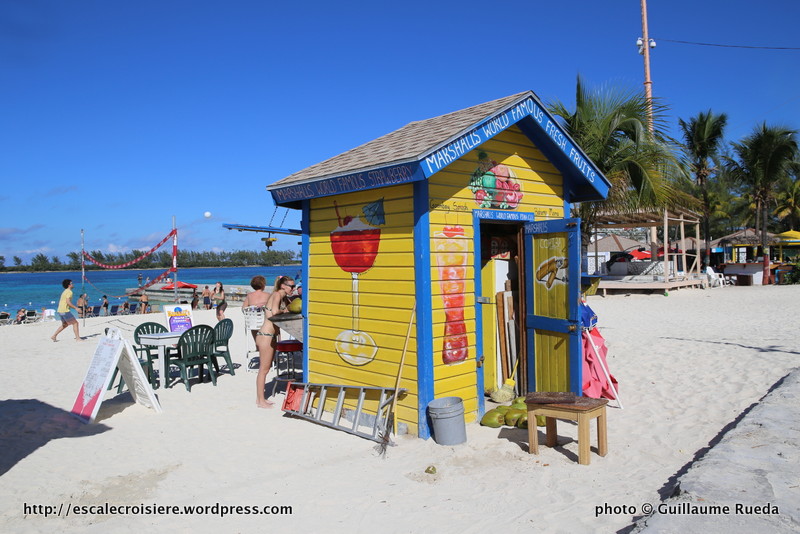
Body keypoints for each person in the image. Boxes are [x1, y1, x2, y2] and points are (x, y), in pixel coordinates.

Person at [255, 275, 295, 408]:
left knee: (265, 369)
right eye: (291, 286)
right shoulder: (277, 294)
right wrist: (285, 310)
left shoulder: (283, 297)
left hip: (269, 336)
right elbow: (274, 312)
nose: (293, 289)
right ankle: (260, 401)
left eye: (294, 286)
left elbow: (290, 308)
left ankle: (261, 399)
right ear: (283, 286)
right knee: (264, 369)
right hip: (266, 335)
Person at [241, 275, 270, 344]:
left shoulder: (249, 295)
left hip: (253, 322)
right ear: (263, 285)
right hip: (264, 322)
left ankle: (257, 344)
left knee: (254, 321)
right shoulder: (267, 295)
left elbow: (243, 309)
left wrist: (253, 308)